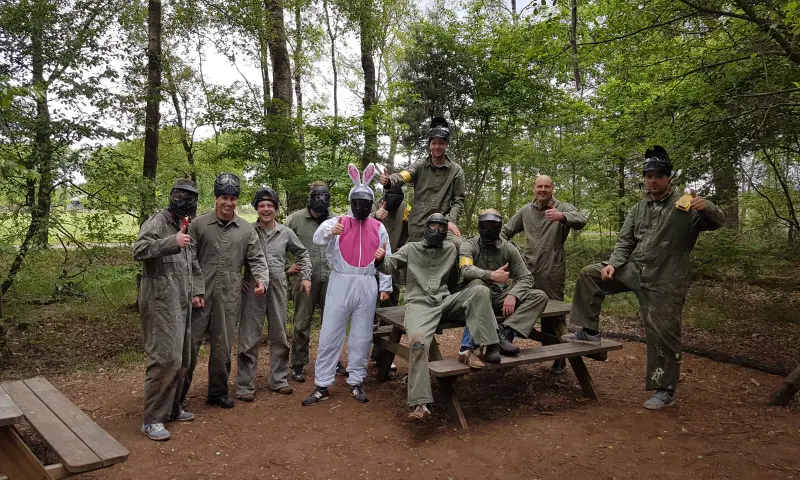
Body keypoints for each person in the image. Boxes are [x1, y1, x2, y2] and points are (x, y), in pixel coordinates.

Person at [563, 146, 724, 409]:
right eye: (648, 176)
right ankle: (589, 331)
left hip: (666, 279)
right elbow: (625, 242)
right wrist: (613, 265)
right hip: (636, 270)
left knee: (663, 333)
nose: (653, 180)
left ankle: (664, 389)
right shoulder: (639, 208)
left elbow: (718, 221)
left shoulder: (686, 205)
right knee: (591, 274)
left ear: (668, 178)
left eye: (658, 175)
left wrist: (706, 206)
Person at [375, 213, 502, 421]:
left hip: (444, 301)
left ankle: (473, 348)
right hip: (419, 305)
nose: (437, 231)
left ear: (446, 231)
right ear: (426, 228)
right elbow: (390, 264)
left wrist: (463, 298)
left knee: (480, 291)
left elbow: (454, 279)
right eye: (433, 226)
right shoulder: (411, 248)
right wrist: (379, 259)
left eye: (441, 227)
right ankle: (420, 403)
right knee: (417, 342)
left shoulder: (451, 249)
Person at [301, 164, 392, 406]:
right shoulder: (338, 222)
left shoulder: (378, 227)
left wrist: (385, 286)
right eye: (357, 203)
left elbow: (386, 256)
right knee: (331, 332)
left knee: (362, 335)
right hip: (340, 281)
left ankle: (356, 380)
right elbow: (317, 238)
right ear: (352, 202)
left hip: (366, 283)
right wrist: (331, 230)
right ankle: (322, 383)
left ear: (370, 204)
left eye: (365, 204)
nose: (361, 207)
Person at [181, 173, 270, 409]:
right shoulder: (198, 225)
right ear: (216, 198)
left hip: (229, 295)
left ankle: (217, 392)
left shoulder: (245, 229)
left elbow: (257, 257)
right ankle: (177, 397)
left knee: (222, 348)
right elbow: (188, 259)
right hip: (199, 296)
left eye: (232, 198)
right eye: (223, 197)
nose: (228, 203)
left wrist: (261, 280)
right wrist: (194, 290)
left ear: (236, 200)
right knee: (189, 348)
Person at [133, 179, 203, 441]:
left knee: (182, 357)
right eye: (179, 194)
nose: (183, 200)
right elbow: (138, 249)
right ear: (171, 196)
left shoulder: (184, 224)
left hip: (181, 300)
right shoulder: (158, 222)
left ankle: (173, 409)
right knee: (165, 359)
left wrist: (197, 291)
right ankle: (152, 419)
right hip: (160, 301)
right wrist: (171, 242)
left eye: (189, 196)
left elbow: (191, 262)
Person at [503, 175, 588, 374]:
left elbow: (582, 219)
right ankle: (503, 346)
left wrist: (562, 217)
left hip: (552, 269)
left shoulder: (562, 207)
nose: (542, 190)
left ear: (552, 189)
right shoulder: (526, 211)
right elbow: (505, 230)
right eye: (539, 186)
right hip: (526, 270)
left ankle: (558, 358)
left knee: (553, 315)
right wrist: (502, 248)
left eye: (546, 187)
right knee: (514, 306)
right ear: (534, 189)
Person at [236, 187, 312, 401]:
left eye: (270, 205)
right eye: (262, 205)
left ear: (276, 210)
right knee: (249, 336)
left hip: (278, 284)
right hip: (253, 286)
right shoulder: (248, 232)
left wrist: (305, 275)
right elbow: (236, 257)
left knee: (279, 333)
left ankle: (278, 379)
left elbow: (303, 254)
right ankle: (245, 385)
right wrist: (239, 278)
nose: (266, 209)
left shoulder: (286, 232)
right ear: (256, 208)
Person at [458, 209, 549, 368]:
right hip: (473, 297)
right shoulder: (469, 244)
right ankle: (489, 343)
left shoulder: (508, 248)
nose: (489, 230)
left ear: (500, 227)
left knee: (539, 296)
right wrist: (490, 275)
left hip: (498, 295)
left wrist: (513, 294)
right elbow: (465, 269)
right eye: (486, 225)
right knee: (479, 287)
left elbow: (526, 277)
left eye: (494, 226)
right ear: (480, 225)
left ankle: (504, 334)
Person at [285, 182, 347, 381]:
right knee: (302, 322)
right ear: (310, 197)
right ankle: (298, 364)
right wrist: (287, 266)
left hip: (331, 278)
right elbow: (280, 243)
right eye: (317, 196)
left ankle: (333, 361)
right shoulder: (295, 219)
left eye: (324, 197)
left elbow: (346, 245)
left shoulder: (336, 220)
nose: (321, 200)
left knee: (333, 323)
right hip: (305, 279)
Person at [378, 117, 464, 250]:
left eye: (441, 143)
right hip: (418, 226)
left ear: (447, 144)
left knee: (460, 247)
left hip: (442, 226)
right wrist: (390, 180)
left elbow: (458, 200)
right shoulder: (420, 165)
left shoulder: (455, 170)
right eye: (433, 143)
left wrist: (451, 221)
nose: (437, 146)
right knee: (412, 258)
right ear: (429, 145)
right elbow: (404, 175)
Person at [372, 182, 408, 307]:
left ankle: (389, 324)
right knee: (373, 296)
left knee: (393, 295)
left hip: (393, 259)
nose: (394, 198)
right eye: (391, 195)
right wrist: (374, 216)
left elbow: (411, 231)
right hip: (372, 259)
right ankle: (374, 323)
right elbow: (357, 223)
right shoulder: (373, 206)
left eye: (397, 195)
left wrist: (403, 249)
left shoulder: (405, 210)